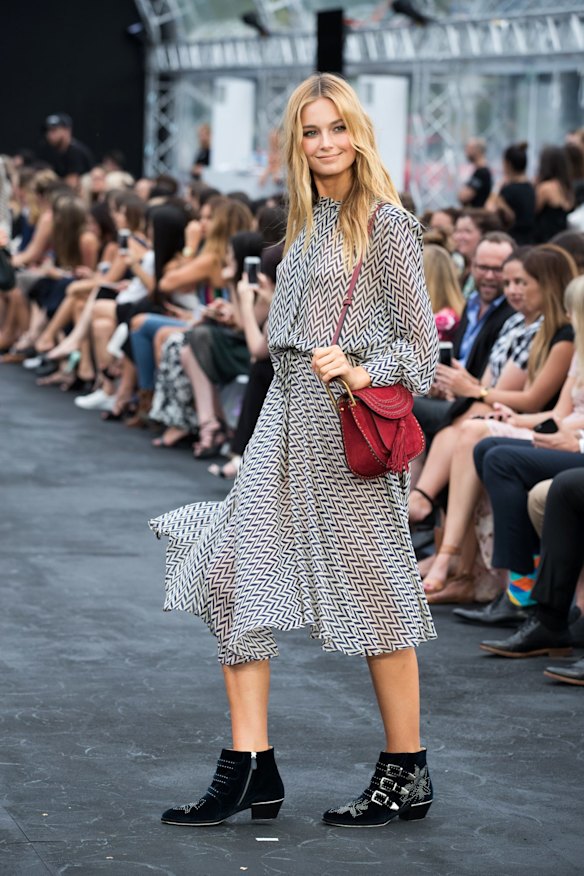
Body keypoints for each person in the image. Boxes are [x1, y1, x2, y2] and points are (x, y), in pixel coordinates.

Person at [150, 73, 438, 829]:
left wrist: (362, 366)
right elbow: (279, 345)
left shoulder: (387, 226)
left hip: (346, 431)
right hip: (284, 424)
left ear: (359, 133)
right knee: (229, 574)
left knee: (379, 600)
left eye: (336, 128)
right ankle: (251, 766)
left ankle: (406, 770)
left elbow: (425, 353)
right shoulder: (308, 226)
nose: (325, 143)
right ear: (296, 143)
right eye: (311, 132)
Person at [487, 142, 536, 245]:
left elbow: (489, 210)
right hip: (530, 240)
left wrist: (496, 188)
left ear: (507, 164)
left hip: (512, 241)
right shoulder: (531, 188)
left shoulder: (508, 191)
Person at [37, 114, 94, 190]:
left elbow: (72, 183)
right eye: (48, 131)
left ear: (67, 130)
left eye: (54, 130)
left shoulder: (76, 151)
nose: (49, 134)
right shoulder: (50, 150)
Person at [458, 138, 492, 208]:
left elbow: (464, 197)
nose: (466, 151)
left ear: (478, 151)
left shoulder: (481, 173)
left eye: (469, 148)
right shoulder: (479, 172)